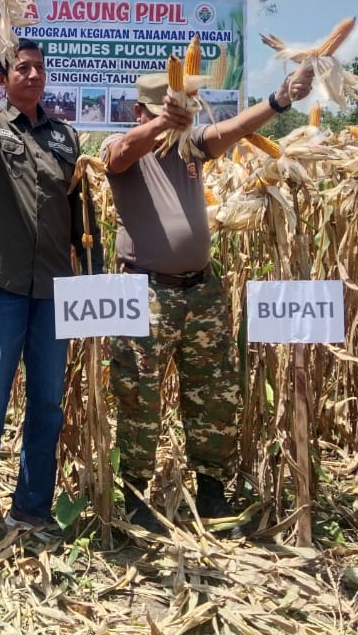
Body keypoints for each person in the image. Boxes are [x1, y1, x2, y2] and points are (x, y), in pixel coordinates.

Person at [101, 64, 312, 531]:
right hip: (145, 291)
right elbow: (117, 155)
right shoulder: (126, 148)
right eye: (162, 114)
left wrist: (279, 99)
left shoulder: (194, 147)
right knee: (139, 394)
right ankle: (136, 496)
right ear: (140, 111)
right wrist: (161, 124)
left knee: (214, 393)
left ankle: (212, 492)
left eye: (182, 115)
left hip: (202, 291)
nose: (178, 123)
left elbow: (234, 129)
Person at [0, 34, 102, 546]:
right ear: (3, 77)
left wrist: (94, 275)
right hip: (1, 285)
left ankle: (32, 509)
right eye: (21, 67)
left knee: (47, 404)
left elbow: (82, 213)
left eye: (39, 67)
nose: (33, 75)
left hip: (54, 292)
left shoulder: (66, 137)